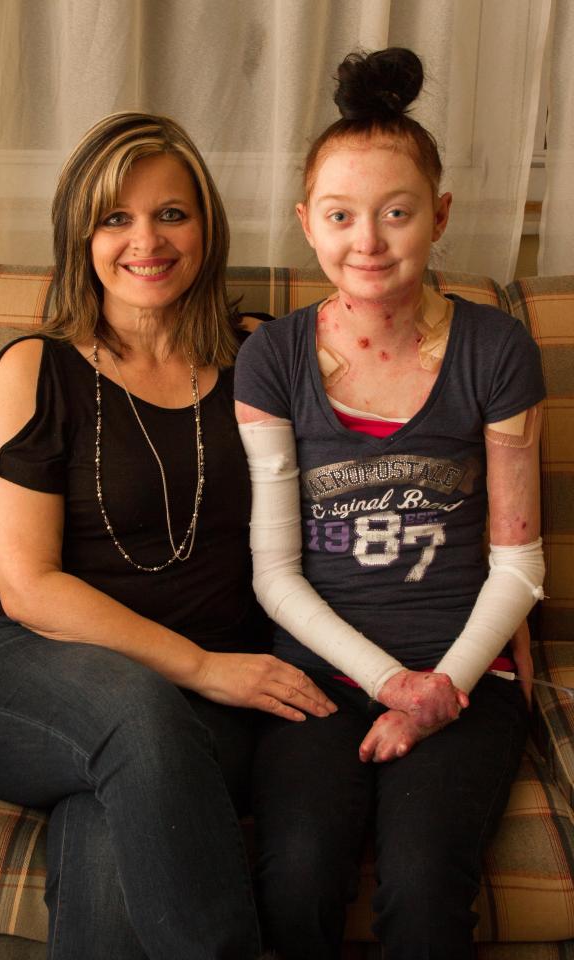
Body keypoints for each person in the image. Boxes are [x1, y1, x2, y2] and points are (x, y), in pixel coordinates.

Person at [0, 111, 337, 960]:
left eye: (171, 213)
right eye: (115, 217)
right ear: (80, 235)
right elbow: (27, 586)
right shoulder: (36, 367)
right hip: (22, 669)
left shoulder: (261, 357)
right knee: (138, 713)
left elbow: (362, 487)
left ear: (206, 227)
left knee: (116, 840)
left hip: (205, 702)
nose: (144, 240)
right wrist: (200, 668)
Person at [234, 48, 545, 960]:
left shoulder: (496, 350)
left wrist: (437, 691)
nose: (367, 240)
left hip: (468, 676)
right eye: (340, 216)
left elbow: (520, 562)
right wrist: (385, 687)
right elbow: (275, 573)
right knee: (295, 870)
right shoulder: (273, 361)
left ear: (438, 216)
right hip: (322, 679)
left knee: (421, 879)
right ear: (307, 225)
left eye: (396, 213)